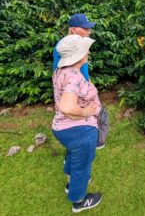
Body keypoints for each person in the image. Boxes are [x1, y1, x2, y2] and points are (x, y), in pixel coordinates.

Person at [52, 34, 102, 212]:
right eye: (84, 49)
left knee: (74, 157)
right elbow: (66, 106)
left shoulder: (61, 71)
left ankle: (70, 185)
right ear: (78, 55)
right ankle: (79, 200)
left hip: (62, 128)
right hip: (79, 131)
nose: (87, 51)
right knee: (82, 167)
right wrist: (87, 112)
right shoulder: (74, 77)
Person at [53, 13, 109, 149]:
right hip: (77, 92)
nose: (89, 32)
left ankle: (89, 142)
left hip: (81, 87)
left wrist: (88, 82)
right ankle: (95, 142)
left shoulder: (77, 45)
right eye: (85, 28)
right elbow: (64, 73)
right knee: (97, 113)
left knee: (98, 112)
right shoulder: (68, 47)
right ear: (74, 29)